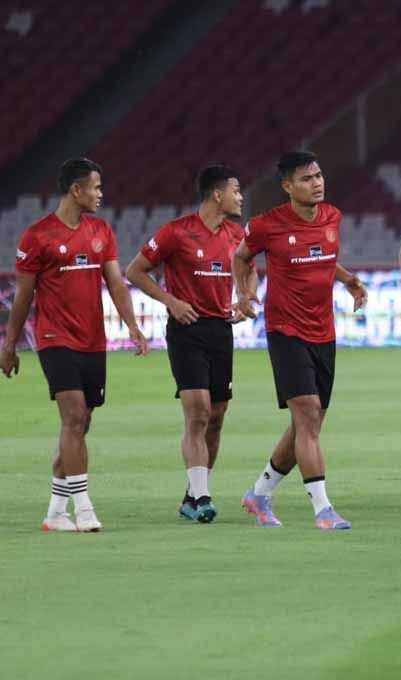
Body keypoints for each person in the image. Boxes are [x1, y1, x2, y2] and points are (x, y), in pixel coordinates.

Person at [2, 157, 148, 532]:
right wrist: (9, 344)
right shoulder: (37, 237)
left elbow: (116, 282)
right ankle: (84, 509)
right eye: (96, 187)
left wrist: (132, 325)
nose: (101, 194)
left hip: (92, 341)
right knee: (73, 416)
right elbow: (23, 297)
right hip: (54, 338)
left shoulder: (101, 230)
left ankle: (54, 513)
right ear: (76, 190)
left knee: (80, 425)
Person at [233, 151, 367, 530]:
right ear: (287, 186)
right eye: (307, 178)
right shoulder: (266, 225)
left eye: (320, 175)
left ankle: (259, 494)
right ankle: (323, 510)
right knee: (307, 415)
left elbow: (322, 257)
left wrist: (348, 280)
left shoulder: (332, 217)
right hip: (286, 332)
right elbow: (241, 258)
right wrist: (244, 293)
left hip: (324, 333)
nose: (317, 183)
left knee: (306, 425)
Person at [125, 165, 248, 522]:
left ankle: (191, 496)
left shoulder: (235, 235)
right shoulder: (176, 232)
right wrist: (171, 302)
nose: (240, 197)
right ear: (217, 195)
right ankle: (204, 497)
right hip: (187, 331)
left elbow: (249, 267)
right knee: (198, 414)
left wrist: (245, 296)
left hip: (221, 331)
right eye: (236, 190)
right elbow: (135, 270)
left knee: (217, 418)